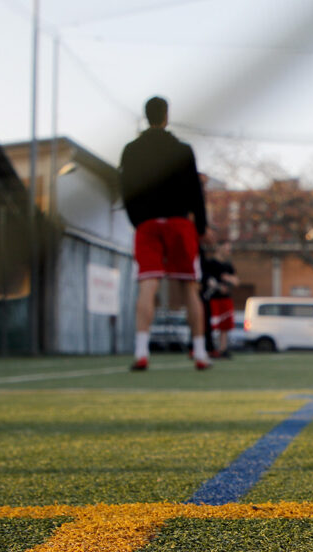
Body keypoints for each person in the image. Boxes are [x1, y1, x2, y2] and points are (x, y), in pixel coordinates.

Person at [121, 96, 211, 371]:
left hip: (147, 223)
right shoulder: (182, 149)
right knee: (189, 288)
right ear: (166, 116)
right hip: (178, 222)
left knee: (148, 285)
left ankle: (141, 351)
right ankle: (199, 352)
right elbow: (195, 190)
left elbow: (125, 188)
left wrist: (138, 219)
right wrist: (201, 226)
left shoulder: (131, 150)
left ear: (146, 116)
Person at [202, 240, 238, 358]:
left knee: (225, 325)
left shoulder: (228, 265)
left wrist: (228, 279)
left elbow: (236, 281)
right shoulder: (210, 263)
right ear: (219, 248)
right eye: (226, 248)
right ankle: (210, 348)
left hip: (225, 299)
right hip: (212, 299)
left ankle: (223, 349)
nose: (228, 251)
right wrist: (218, 285)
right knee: (212, 325)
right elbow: (207, 280)